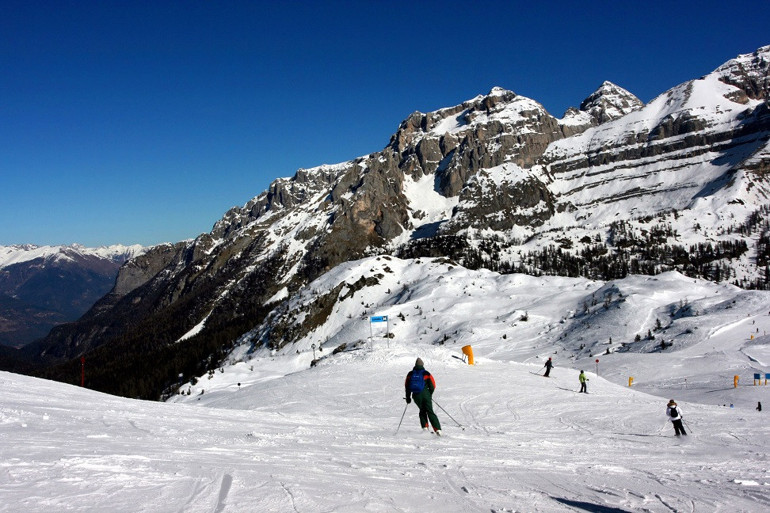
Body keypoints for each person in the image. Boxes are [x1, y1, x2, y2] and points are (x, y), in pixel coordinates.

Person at [405, 358, 442, 435]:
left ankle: (425, 428)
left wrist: (408, 398)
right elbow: (433, 385)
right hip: (426, 395)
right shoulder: (426, 373)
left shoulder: (410, 374)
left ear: (415, 365)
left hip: (416, 396)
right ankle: (437, 429)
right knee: (430, 411)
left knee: (422, 410)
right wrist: (429, 394)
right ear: (422, 365)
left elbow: (407, 387)